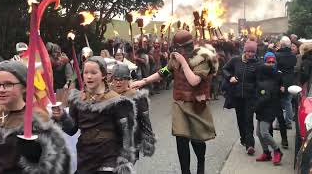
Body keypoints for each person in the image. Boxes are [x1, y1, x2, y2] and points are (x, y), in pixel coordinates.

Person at [131, 30, 216, 174]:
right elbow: (163, 71)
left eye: (179, 48)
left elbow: (194, 81)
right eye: (176, 48)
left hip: (197, 104)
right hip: (179, 103)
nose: (177, 51)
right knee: (181, 138)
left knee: (197, 140)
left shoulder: (204, 58)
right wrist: (143, 81)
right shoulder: (175, 59)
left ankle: (201, 165)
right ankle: (185, 172)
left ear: (188, 46)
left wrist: (183, 62)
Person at [52, 56, 137, 174]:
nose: (89, 76)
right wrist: (62, 117)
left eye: (93, 72)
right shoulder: (77, 100)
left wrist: (125, 161)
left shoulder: (117, 101)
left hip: (109, 160)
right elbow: (72, 129)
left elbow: (126, 134)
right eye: (86, 72)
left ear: (103, 75)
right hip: (85, 159)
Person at [0, 61, 71, 174]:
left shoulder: (38, 120)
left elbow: (60, 164)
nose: (1, 90)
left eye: (8, 84)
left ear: (25, 87)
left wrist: (38, 158)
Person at [111, 63, 156, 161]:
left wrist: (148, 140)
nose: (118, 83)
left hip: (131, 142)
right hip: (112, 143)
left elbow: (145, 121)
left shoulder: (137, 97)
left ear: (128, 80)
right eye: (116, 79)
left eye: (122, 79)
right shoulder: (108, 97)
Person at [222, 40, 261, 155]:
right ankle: (243, 138)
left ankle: (250, 144)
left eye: (252, 52)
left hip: (250, 96)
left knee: (249, 119)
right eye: (248, 51)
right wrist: (230, 77)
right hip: (237, 95)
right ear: (244, 51)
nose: (250, 54)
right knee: (240, 119)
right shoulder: (235, 60)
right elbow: (224, 69)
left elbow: (260, 79)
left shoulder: (257, 63)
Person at [255, 53, 283, 165]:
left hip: (268, 110)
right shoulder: (263, 81)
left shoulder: (269, 82)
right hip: (262, 110)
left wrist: (254, 106)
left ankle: (277, 150)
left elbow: (265, 97)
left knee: (264, 132)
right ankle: (266, 153)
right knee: (259, 132)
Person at [275, 36, 297, 129]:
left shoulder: (277, 55)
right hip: (291, 80)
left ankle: (279, 123)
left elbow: (275, 68)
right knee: (288, 102)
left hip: (281, 81)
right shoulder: (293, 56)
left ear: (282, 45)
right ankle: (288, 122)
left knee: (279, 103)